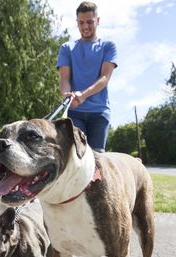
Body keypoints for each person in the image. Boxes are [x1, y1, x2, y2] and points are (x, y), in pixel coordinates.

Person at [57, 1, 117, 152]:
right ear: (77, 22)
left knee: (97, 158)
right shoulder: (66, 48)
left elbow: (105, 78)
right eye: (81, 22)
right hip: (75, 113)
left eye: (90, 22)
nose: (85, 26)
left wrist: (83, 95)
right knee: (78, 156)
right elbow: (64, 78)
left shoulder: (108, 46)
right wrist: (66, 94)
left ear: (98, 20)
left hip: (99, 112)